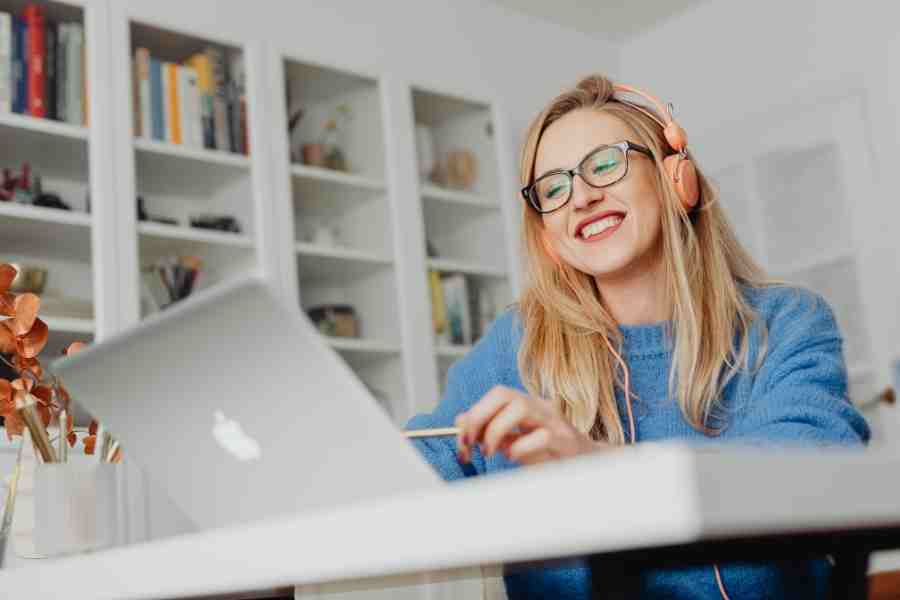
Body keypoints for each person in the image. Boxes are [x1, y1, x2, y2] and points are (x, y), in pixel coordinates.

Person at [405, 74, 870, 599]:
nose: (581, 196)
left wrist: (599, 469)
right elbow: (415, 471)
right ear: (548, 236)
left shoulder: (786, 322)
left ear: (677, 178)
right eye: (554, 188)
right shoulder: (516, 346)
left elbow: (812, 466)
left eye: (605, 163)